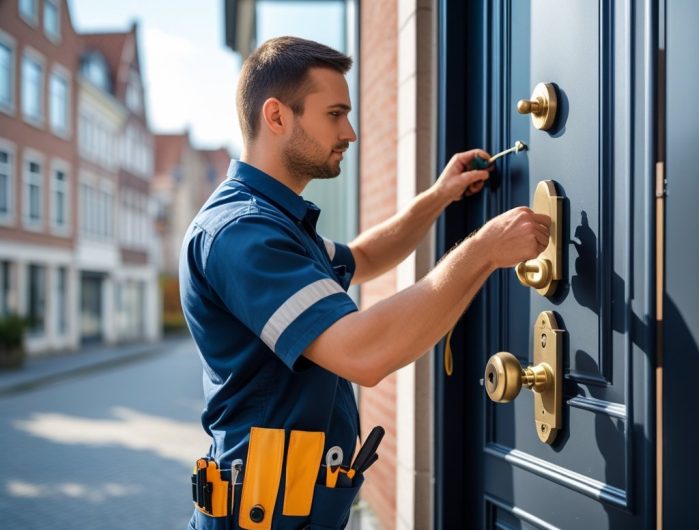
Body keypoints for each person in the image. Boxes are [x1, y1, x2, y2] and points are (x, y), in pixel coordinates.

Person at [180, 36, 551, 530]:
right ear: (276, 117)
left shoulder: (276, 223)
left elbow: (365, 256)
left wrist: (439, 197)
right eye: (335, 114)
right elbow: (362, 354)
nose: (350, 132)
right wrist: (483, 250)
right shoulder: (241, 234)